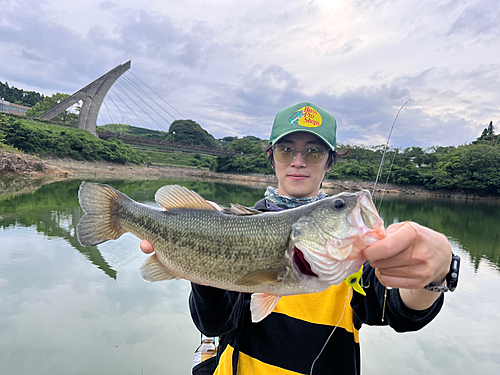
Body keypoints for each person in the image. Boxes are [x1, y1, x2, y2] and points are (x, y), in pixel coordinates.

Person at [140, 102, 454, 375]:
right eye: (286, 149)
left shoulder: (354, 249)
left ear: (329, 161)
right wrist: (200, 252)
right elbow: (214, 325)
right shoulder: (234, 224)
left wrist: (438, 272)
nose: (298, 160)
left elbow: (400, 312)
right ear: (271, 156)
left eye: (314, 151)